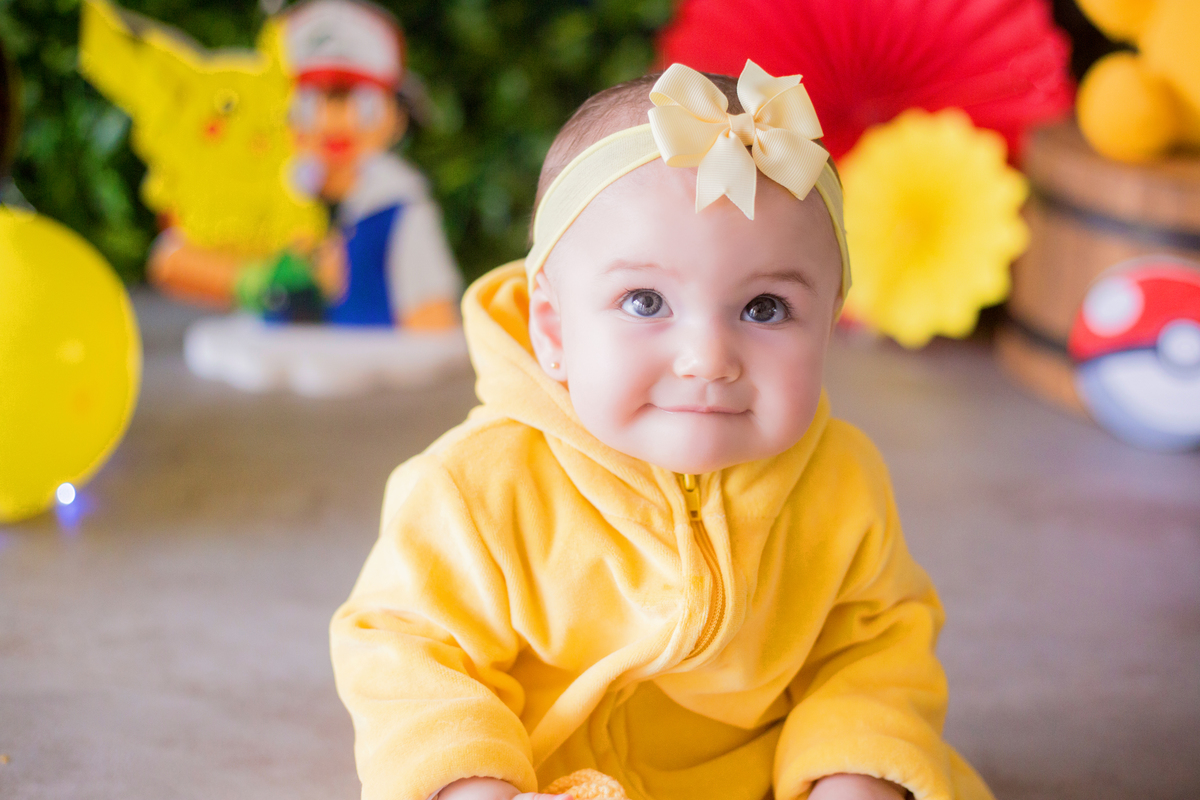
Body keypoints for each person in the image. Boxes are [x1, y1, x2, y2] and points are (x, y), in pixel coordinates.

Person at [330, 62, 994, 800]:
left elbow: (872, 649)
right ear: (552, 328)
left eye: (766, 308)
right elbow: (408, 651)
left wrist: (852, 768)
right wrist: (469, 784)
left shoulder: (840, 479)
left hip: (764, 780)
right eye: (645, 301)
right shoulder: (477, 487)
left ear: (829, 325)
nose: (707, 359)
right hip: (541, 777)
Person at [282, 0, 461, 329]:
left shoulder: (401, 210)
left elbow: (433, 324)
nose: (333, 120)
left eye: (360, 103)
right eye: (312, 102)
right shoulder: (283, 202)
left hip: (376, 376)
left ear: (395, 117)